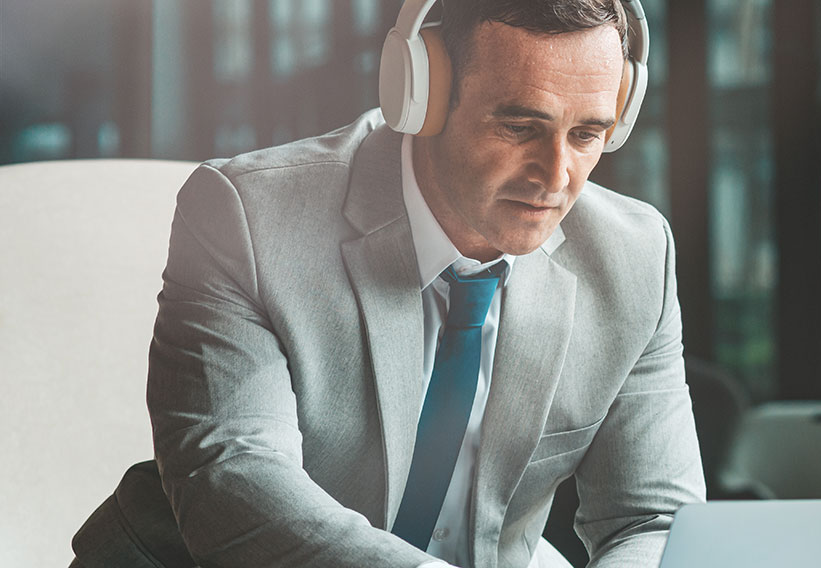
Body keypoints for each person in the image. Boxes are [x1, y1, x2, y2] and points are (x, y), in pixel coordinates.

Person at [71, 0, 705, 567]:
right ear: (423, 96)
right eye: (519, 127)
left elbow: (654, 518)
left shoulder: (634, 256)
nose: (557, 175)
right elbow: (235, 479)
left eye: (588, 133)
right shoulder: (246, 217)